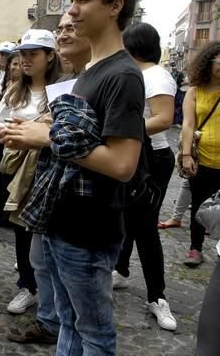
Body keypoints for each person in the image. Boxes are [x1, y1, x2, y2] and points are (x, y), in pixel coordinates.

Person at [5, 0, 144, 355]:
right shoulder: (90, 70)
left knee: (94, 334)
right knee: (68, 323)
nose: (72, 10)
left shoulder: (123, 74)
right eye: (71, 0)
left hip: (89, 227)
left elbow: (122, 164)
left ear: (115, 6)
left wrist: (46, 137)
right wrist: (33, 132)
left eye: (83, 0)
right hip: (62, 219)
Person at [6, 12, 91, 345]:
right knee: (40, 257)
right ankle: (50, 320)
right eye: (62, 29)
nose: (65, 34)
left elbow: (107, 148)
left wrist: (45, 131)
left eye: (71, 28)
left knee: (66, 271)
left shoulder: (92, 79)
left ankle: (60, 324)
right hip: (45, 179)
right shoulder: (80, 79)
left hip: (72, 189)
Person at [109, 22, 178, 331]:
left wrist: (122, 129)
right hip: (134, 152)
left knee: (145, 227)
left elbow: (163, 119)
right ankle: (121, 271)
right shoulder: (131, 72)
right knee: (127, 219)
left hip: (152, 159)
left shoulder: (156, 75)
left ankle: (157, 297)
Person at [0, 29, 61, 316]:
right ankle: (27, 286)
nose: (26, 60)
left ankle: (51, 289)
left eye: (33, 54)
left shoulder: (61, 89)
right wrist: (8, 131)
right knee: (20, 227)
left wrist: (38, 130)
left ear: (50, 56)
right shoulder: (15, 89)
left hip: (50, 169)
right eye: (23, 54)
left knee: (47, 230)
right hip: (18, 165)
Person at [179, 40, 220, 267]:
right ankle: (195, 248)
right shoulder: (195, 91)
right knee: (198, 204)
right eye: (218, 61)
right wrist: (186, 155)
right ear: (208, 62)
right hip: (202, 158)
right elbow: (187, 124)